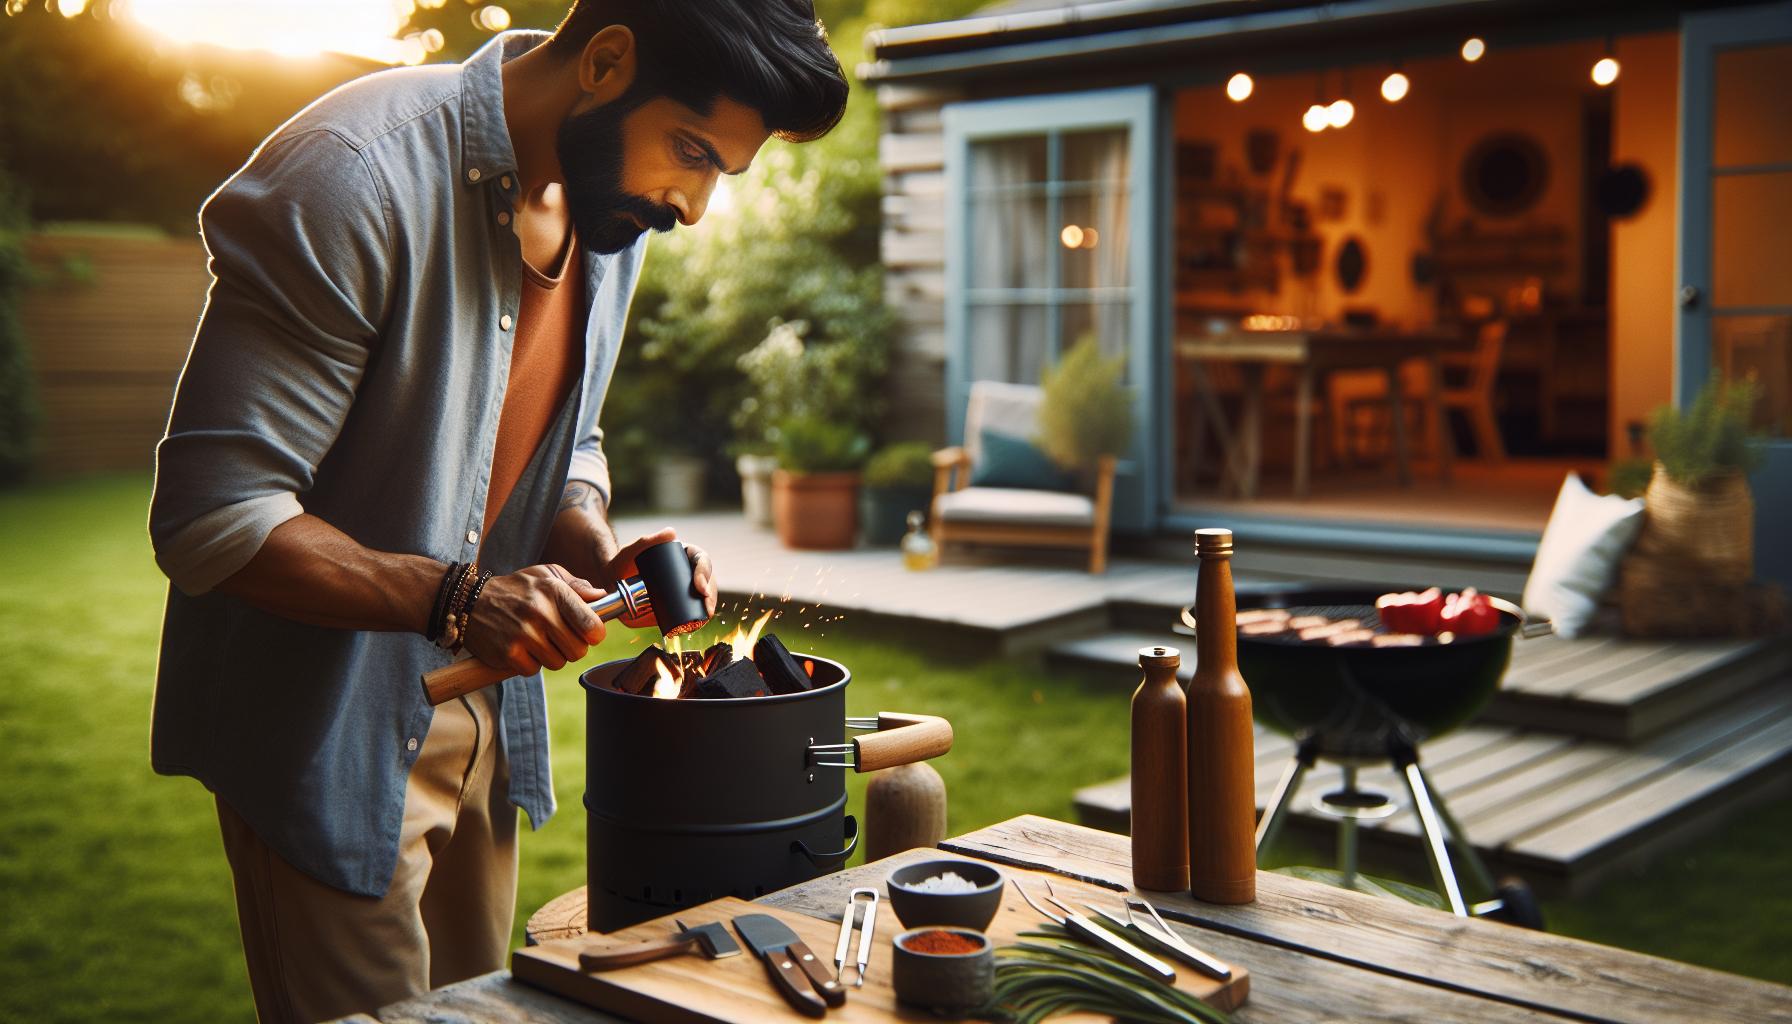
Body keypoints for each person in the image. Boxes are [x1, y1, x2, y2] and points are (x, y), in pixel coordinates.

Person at [146, 3, 849, 1020]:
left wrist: (589, 539)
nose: (692, 206)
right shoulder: (353, 173)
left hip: (484, 713)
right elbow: (216, 519)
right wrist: (460, 597)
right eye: (690, 151)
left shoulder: (610, 205)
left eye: (717, 173)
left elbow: (566, 435)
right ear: (607, 62)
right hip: (326, 730)